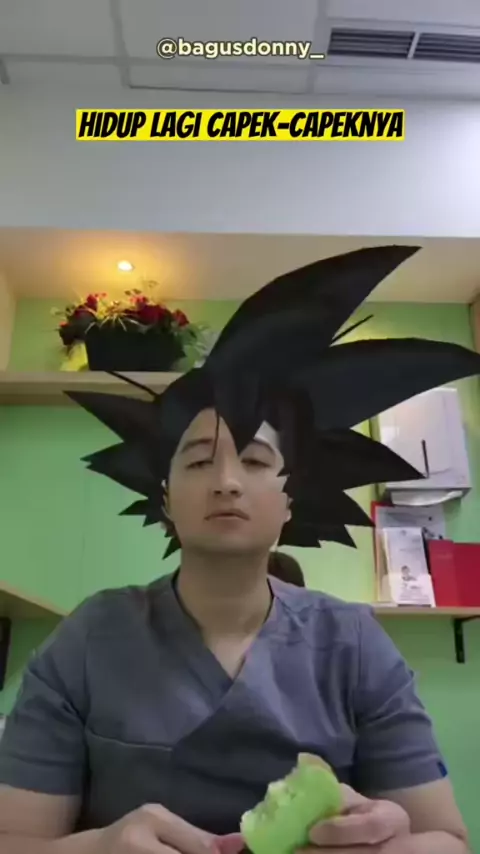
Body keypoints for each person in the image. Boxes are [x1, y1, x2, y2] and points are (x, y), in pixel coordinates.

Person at [0, 246, 477, 854]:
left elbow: (447, 841)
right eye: (199, 460)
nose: (226, 481)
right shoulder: (90, 637)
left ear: (290, 500)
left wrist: (390, 841)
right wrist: (98, 848)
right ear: (165, 497)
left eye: (254, 460)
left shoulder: (355, 644)